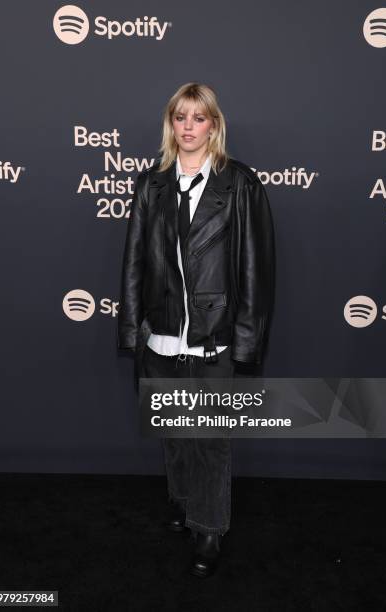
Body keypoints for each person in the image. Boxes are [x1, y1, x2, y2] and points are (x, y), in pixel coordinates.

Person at [117, 82, 275, 578]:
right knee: (176, 434)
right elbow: (134, 263)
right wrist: (132, 329)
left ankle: (209, 526)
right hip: (162, 334)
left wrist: (247, 341)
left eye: (198, 118)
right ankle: (187, 505)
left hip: (215, 337)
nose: (189, 127)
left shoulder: (240, 184)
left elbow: (256, 269)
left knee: (209, 437)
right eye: (180, 117)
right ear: (171, 124)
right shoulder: (151, 184)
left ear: (214, 124)